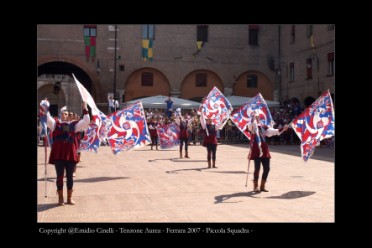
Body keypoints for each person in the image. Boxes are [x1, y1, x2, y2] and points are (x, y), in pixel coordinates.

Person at [47, 102, 90, 206]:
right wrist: (45, 107)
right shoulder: (55, 124)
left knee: (70, 177)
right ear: (60, 114)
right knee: (59, 176)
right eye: (63, 114)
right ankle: (60, 198)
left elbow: (86, 121)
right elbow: (48, 120)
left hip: (70, 154)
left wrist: (85, 109)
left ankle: (69, 198)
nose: (65, 115)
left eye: (66, 114)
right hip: (59, 154)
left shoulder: (74, 125)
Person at [246, 112, 288, 192]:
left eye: (258, 117)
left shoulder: (263, 127)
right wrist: (253, 121)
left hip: (264, 149)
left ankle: (262, 185)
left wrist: (283, 129)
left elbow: (271, 132)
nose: (257, 118)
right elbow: (249, 127)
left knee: (267, 168)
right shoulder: (251, 126)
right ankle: (255, 186)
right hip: (256, 150)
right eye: (255, 117)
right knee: (257, 168)